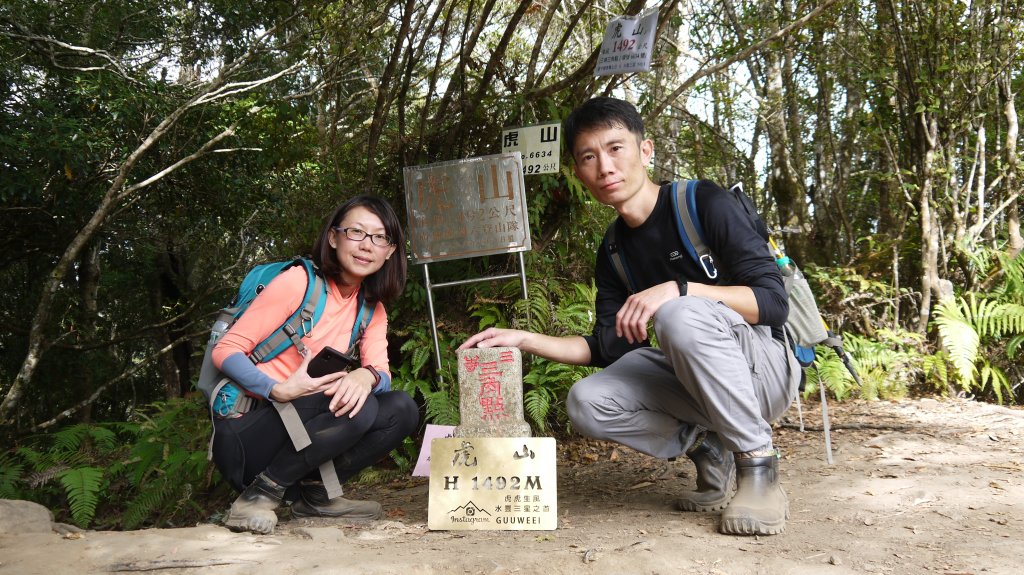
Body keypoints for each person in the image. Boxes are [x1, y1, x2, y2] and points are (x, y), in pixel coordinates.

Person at [459, 97, 801, 536]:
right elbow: (608, 346)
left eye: (616, 148)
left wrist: (679, 290)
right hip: (700, 383)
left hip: (764, 371)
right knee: (587, 401)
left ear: (646, 150)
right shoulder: (614, 252)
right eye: (588, 156)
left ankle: (758, 469)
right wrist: (524, 339)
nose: (605, 166)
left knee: (678, 315)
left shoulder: (704, 203)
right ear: (579, 172)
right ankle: (707, 447)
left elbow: (772, 304)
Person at [211, 194, 419, 535]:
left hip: (305, 431)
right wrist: (277, 388)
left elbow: (382, 372)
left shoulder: (371, 309)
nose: (367, 245)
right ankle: (257, 496)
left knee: (402, 408)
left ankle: (317, 497)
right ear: (334, 238)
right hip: (249, 433)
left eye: (379, 237)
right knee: (359, 408)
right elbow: (227, 349)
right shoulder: (299, 283)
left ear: (390, 251)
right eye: (356, 232)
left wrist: (365, 377)